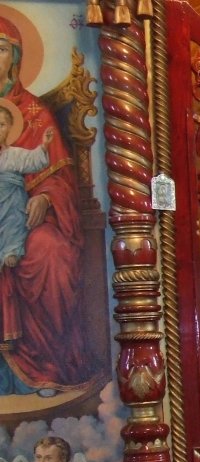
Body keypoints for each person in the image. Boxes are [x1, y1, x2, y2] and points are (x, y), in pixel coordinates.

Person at [0, 16, 94, 396]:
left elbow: (59, 176)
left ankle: (49, 365)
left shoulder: (35, 114)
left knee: (50, 252)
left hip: (23, 218)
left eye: (0, 48)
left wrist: (44, 197)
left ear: (16, 57)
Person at [0, 105, 53, 268]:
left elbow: (33, 160)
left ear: (9, 128)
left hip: (12, 199)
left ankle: (12, 250)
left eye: (1, 125)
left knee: (14, 220)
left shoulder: (15, 154)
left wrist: (44, 146)